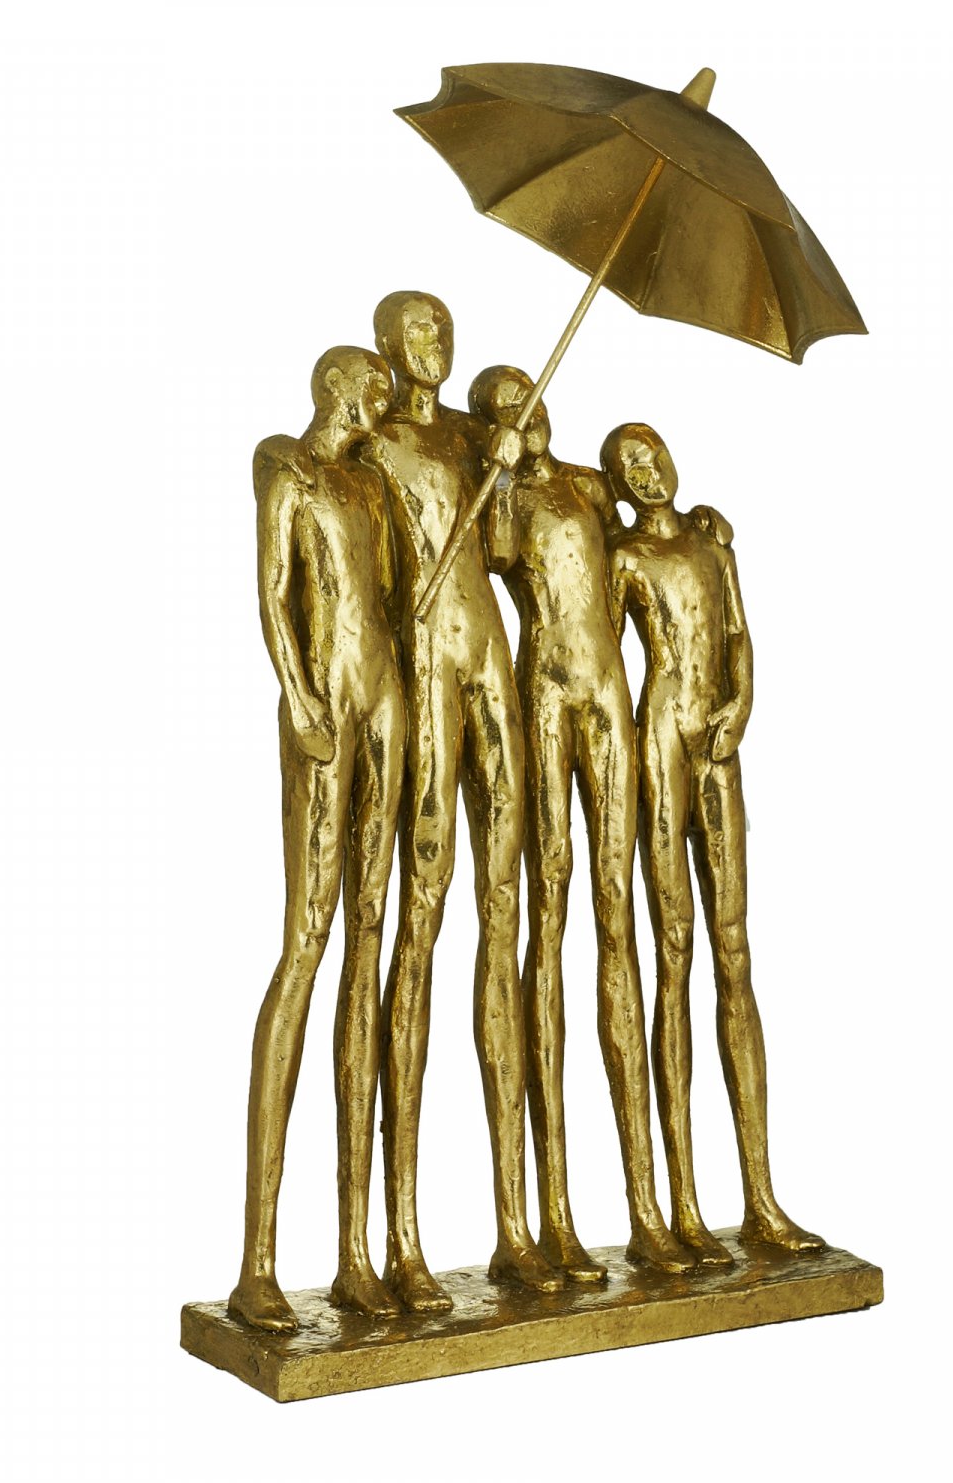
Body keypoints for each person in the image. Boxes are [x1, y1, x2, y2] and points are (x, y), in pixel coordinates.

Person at [470, 365, 695, 1281]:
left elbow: (643, 537)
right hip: (547, 688)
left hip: (610, 689)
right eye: (504, 405)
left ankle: (650, 1208)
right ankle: (550, 1214)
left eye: (529, 396)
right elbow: (494, 554)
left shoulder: (592, 489)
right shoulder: (506, 494)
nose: (526, 409)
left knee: (619, 913)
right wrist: (498, 472)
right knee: (549, 911)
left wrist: (704, 524)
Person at [361, 293, 561, 1310]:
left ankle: (518, 1226)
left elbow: (515, 557)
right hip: (425, 666)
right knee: (422, 921)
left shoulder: (479, 441)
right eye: (417, 332)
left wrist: (512, 472)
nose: (433, 346)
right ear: (388, 347)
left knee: (505, 910)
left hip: (490, 656)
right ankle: (401, 1236)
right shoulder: (373, 443)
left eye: (442, 330)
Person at [606, 422, 824, 1261]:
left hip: (716, 738)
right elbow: (594, 648)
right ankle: (679, 1206)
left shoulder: (710, 542)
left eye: (652, 456)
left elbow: (737, 634)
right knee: (673, 951)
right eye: (629, 467)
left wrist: (742, 703)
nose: (646, 473)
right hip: (660, 736)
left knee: (734, 951)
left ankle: (760, 1197)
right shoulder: (625, 556)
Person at [229, 346, 407, 1333]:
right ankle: (258, 1262)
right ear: (338, 388)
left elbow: (393, 598)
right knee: (307, 942)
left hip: (387, 699)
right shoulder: (286, 466)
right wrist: (299, 698)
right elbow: (273, 594)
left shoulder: (373, 486)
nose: (387, 395)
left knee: (369, 944)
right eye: (374, 383)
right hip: (326, 706)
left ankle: (355, 1254)